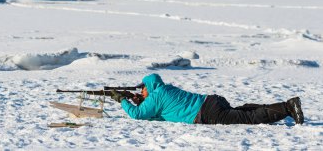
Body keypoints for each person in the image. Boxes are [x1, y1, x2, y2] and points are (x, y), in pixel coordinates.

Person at [111, 73, 304, 125]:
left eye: (142, 88)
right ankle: (285, 106)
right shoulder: (164, 89)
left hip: (206, 113)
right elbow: (157, 111)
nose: (141, 91)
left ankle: (288, 108)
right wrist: (141, 100)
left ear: (148, 87)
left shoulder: (156, 96)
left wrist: (122, 100)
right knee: (243, 110)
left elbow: (137, 115)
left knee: (248, 118)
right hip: (211, 101)